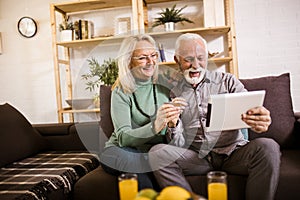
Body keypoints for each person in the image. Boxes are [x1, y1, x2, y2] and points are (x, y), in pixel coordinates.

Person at [148, 33, 281, 200]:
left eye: (201, 58)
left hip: (234, 153)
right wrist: (173, 126)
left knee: (268, 146)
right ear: (177, 60)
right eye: (188, 59)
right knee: (157, 153)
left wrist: (260, 119)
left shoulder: (228, 81)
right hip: (197, 158)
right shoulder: (173, 92)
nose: (195, 65)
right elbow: (178, 143)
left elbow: (253, 110)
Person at [99, 34, 183, 190]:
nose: (151, 62)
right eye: (143, 58)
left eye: (153, 55)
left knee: (153, 161)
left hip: (154, 153)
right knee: (139, 165)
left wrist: (173, 124)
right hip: (120, 150)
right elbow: (123, 137)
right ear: (129, 61)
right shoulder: (121, 91)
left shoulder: (165, 84)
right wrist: (154, 126)